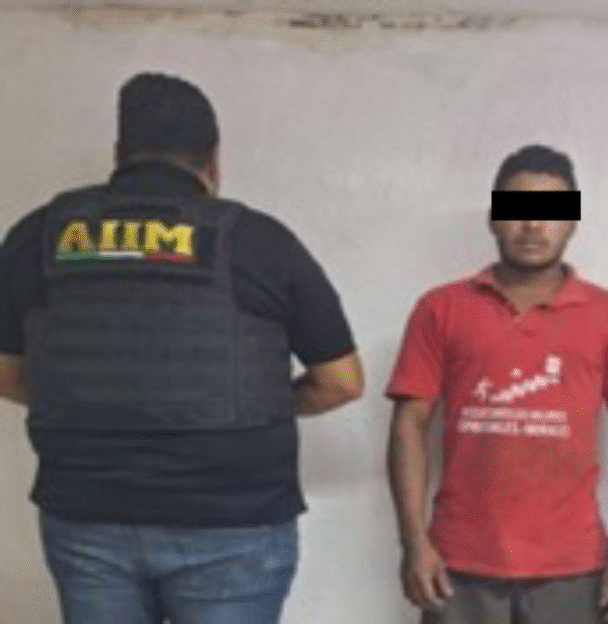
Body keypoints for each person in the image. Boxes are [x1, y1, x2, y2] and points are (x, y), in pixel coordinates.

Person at [0, 72, 364, 624]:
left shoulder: (40, 235)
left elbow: (5, 374)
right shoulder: (258, 241)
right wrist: (261, 400)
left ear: (119, 153)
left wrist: (94, 399)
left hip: (88, 516)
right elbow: (341, 382)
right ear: (213, 161)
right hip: (232, 524)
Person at [386, 144, 608, 624]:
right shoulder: (441, 308)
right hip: (458, 564)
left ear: (572, 222)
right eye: (517, 208)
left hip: (572, 569)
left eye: (550, 210)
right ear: (494, 218)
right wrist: (414, 542)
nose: (533, 224)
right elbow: (409, 425)